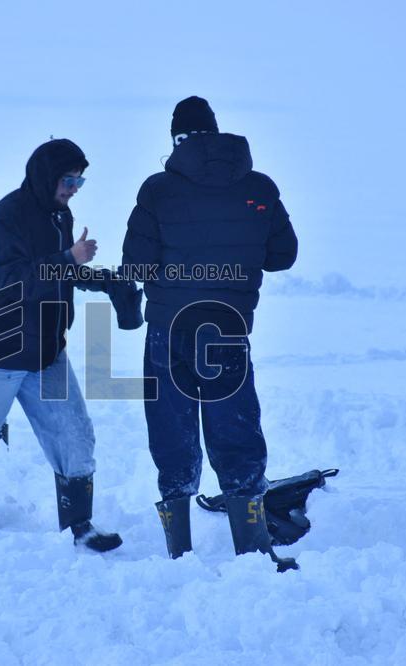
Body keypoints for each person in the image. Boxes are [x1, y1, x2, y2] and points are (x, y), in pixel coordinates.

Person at [121, 96, 299, 566]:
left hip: (168, 329)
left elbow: (135, 265)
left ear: (177, 140)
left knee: (171, 431)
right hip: (227, 328)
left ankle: (179, 554)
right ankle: (253, 551)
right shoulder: (258, 186)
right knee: (235, 429)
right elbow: (283, 255)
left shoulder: (158, 190)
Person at [0, 138, 131, 553]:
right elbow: (12, 281)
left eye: (79, 181)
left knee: (75, 437)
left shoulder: (58, 214)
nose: (74, 188)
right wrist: (69, 259)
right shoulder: (5, 218)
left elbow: (54, 274)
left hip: (44, 352)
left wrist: (102, 280)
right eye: (68, 180)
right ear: (46, 177)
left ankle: (80, 527)